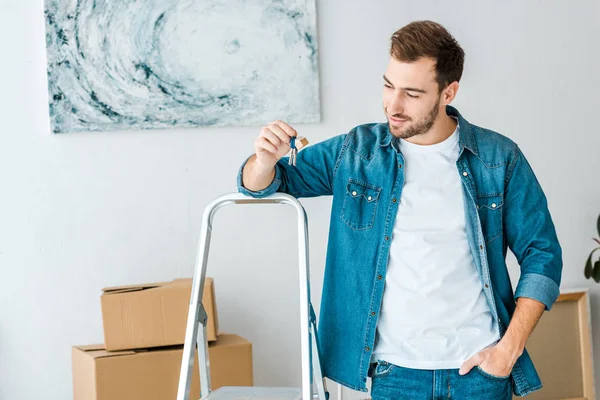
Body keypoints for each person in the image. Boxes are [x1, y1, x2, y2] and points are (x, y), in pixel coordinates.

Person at [237, 20, 562, 400]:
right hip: (396, 374)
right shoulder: (357, 152)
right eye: (389, 85)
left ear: (448, 92)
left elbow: (543, 254)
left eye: (411, 93)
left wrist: (508, 351)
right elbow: (265, 184)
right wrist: (262, 160)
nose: (393, 105)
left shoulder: (498, 158)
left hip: (480, 372)